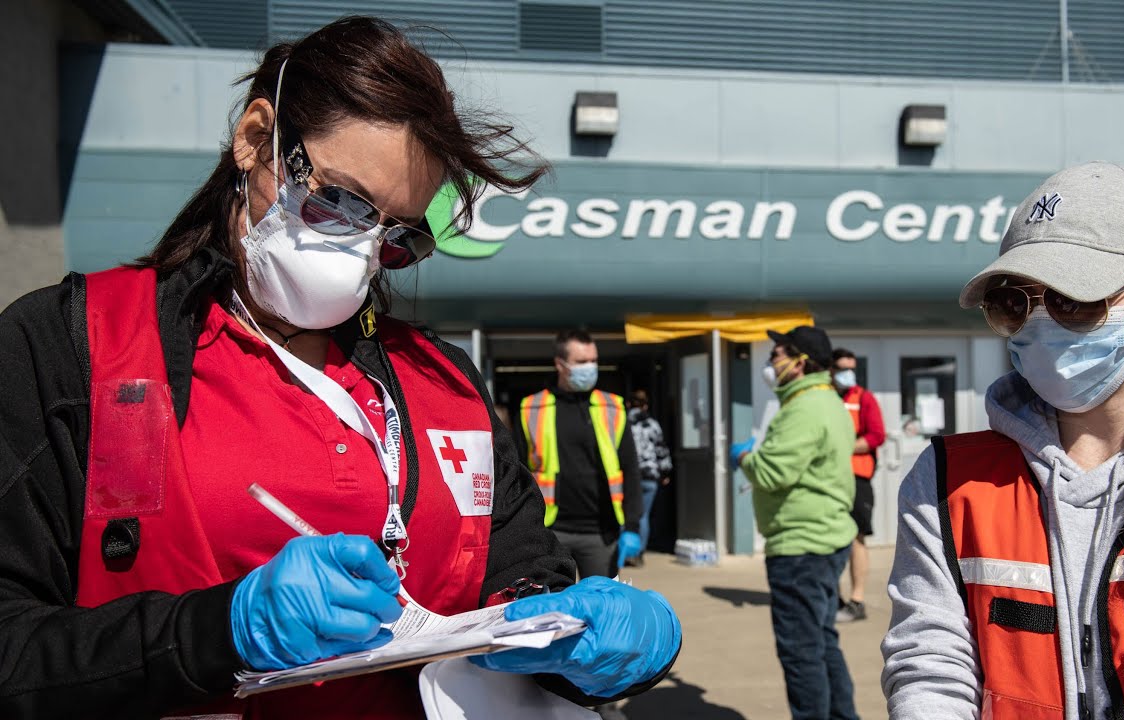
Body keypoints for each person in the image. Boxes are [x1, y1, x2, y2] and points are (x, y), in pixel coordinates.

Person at [0, 17, 680, 719]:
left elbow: (516, 572)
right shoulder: (76, 345)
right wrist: (218, 631)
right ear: (255, 138)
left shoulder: (444, 383)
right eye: (339, 203)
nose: (360, 254)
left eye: (397, 237)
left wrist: (576, 641)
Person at [882, 162, 1124, 720]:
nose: (1041, 324)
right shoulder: (947, 479)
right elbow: (930, 670)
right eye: (1014, 303)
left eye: (1074, 299)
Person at [731, 326, 860, 720]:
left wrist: (744, 458)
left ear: (800, 362)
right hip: (826, 540)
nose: (771, 362)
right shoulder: (827, 400)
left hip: (801, 548)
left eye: (776, 354)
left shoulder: (804, 408)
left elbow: (771, 473)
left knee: (802, 652)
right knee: (822, 641)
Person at [519, 329, 644, 578]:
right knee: (553, 603)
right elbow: (518, 472)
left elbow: (630, 468)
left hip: (601, 533)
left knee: (602, 602)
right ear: (560, 364)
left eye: (594, 360)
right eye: (582, 361)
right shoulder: (532, 408)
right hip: (550, 531)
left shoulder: (613, 407)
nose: (590, 367)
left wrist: (632, 525)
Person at [831, 348, 885, 622]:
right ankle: (832, 598)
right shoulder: (825, 398)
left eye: (852, 368)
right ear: (830, 370)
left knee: (856, 537)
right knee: (830, 538)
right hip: (829, 478)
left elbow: (877, 435)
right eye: (842, 368)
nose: (848, 373)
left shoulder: (864, 398)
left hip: (857, 478)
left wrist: (844, 447)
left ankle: (857, 600)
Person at [626, 389, 673, 567]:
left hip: (628, 476)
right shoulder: (653, 425)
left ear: (628, 404)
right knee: (643, 515)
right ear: (645, 406)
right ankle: (639, 553)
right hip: (650, 476)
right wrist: (665, 472)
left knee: (626, 514)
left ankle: (624, 551)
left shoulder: (622, 423)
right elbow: (661, 449)